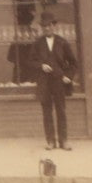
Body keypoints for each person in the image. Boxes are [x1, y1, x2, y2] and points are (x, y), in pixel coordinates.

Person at [31, 11, 77, 150]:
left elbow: (74, 63)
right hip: (44, 82)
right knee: (47, 112)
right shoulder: (37, 43)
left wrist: (68, 77)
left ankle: (64, 141)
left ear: (54, 26)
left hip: (59, 82)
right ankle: (50, 141)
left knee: (61, 111)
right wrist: (41, 66)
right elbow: (30, 61)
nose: (46, 28)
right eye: (44, 26)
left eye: (49, 26)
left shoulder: (62, 42)